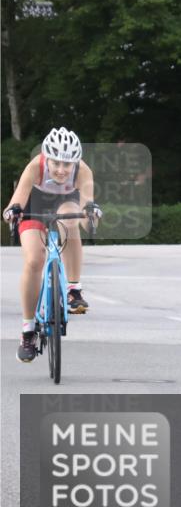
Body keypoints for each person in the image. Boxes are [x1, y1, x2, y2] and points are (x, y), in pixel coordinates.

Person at [2, 127, 101, 363]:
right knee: (34, 259)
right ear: (47, 158)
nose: (60, 169)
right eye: (56, 163)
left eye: (67, 165)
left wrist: (91, 213)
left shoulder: (83, 171)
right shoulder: (35, 166)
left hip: (65, 203)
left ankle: (73, 289)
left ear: (75, 163)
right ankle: (28, 330)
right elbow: (17, 200)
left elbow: (87, 203)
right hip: (33, 207)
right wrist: (11, 212)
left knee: (72, 222)